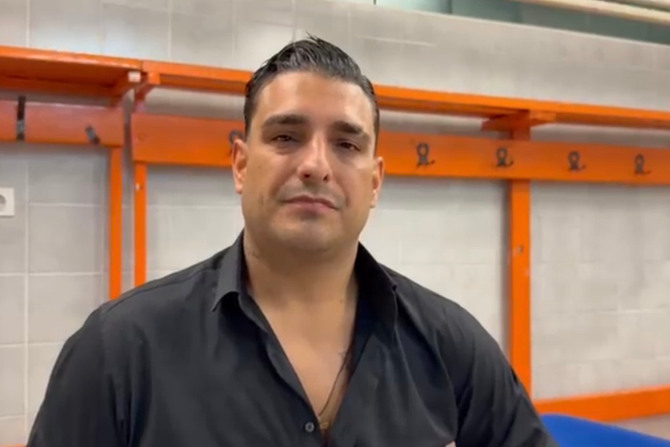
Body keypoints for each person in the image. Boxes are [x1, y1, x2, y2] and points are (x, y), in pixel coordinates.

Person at [27, 36, 557, 447]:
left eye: (346, 144)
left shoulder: (453, 348)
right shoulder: (119, 351)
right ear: (240, 164)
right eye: (286, 137)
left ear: (374, 182)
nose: (316, 165)